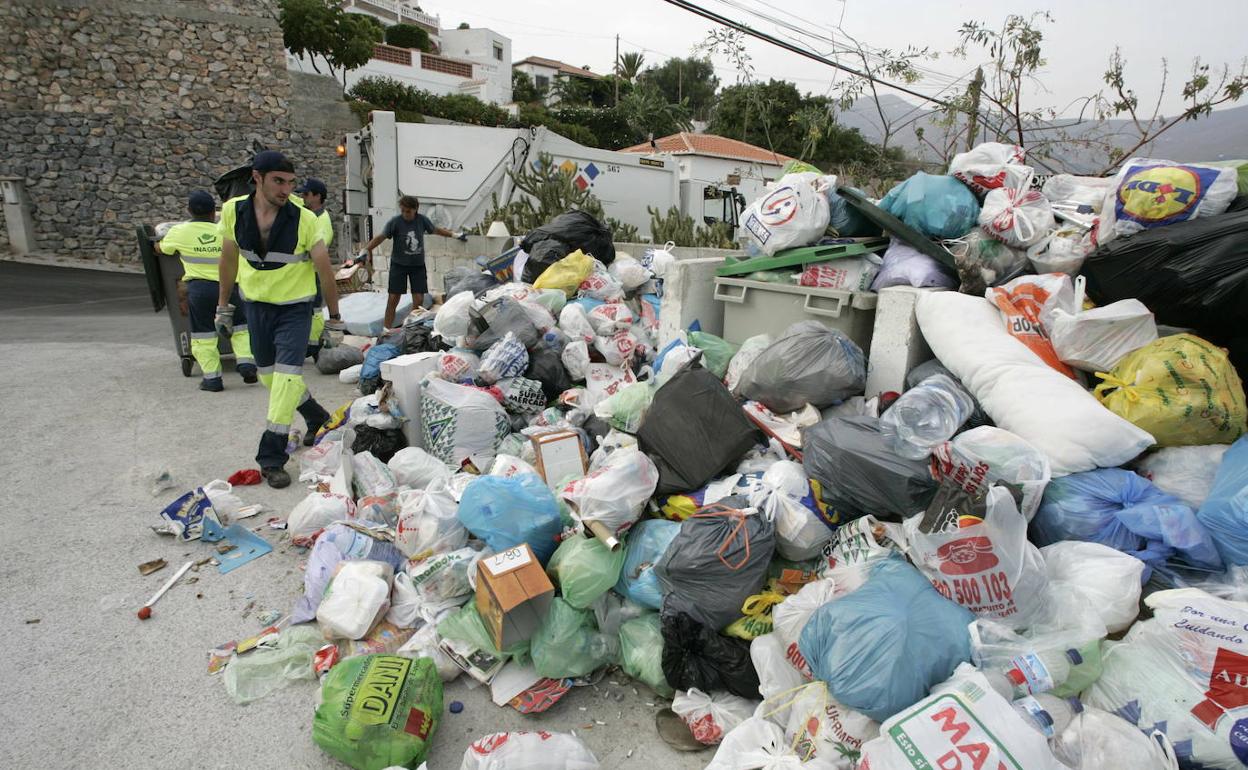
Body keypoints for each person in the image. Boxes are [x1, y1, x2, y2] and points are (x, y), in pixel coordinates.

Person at [215, 151, 346, 488]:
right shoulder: (233, 211)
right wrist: (223, 305)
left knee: (286, 377)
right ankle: (318, 418)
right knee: (270, 378)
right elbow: (228, 259)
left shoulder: (304, 220)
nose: (286, 189)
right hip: (256, 306)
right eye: (278, 181)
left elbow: (325, 271)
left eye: (291, 183)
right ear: (257, 178)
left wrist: (334, 318)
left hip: (295, 309)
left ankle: (271, 457)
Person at [156, 190, 256, 391]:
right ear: (214, 213)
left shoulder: (179, 232)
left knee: (203, 334)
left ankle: (212, 379)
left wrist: (156, 246)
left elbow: (163, 250)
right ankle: (246, 363)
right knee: (240, 327)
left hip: (200, 289)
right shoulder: (226, 230)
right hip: (231, 287)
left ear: (189, 211)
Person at [360, 194, 465, 330]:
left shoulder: (422, 221)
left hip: (417, 266)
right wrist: (366, 249)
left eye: (408, 211)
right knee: (393, 299)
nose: (405, 214)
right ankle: (386, 330)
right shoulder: (395, 222)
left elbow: (436, 230)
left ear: (416, 209)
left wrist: (454, 235)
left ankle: (412, 328)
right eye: (402, 210)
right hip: (399, 266)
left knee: (419, 300)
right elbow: (381, 237)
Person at [295, 178, 332, 359]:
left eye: (306, 194)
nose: (303, 197)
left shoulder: (322, 220)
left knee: (315, 310)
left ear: (317, 197)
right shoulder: (309, 216)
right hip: (304, 273)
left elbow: (318, 250)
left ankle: (314, 344)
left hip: (313, 273)